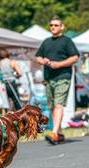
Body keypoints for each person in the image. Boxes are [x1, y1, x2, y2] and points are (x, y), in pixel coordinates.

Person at [36, 16, 79, 145]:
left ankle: (54, 133)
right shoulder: (46, 42)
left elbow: (75, 57)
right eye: (51, 25)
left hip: (63, 77)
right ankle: (59, 132)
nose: (53, 27)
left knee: (58, 105)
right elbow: (38, 56)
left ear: (62, 27)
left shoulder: (67, 41)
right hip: (49, 78)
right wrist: (42, 60)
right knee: (52, 107)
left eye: (56, 25)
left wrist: (59, 64)